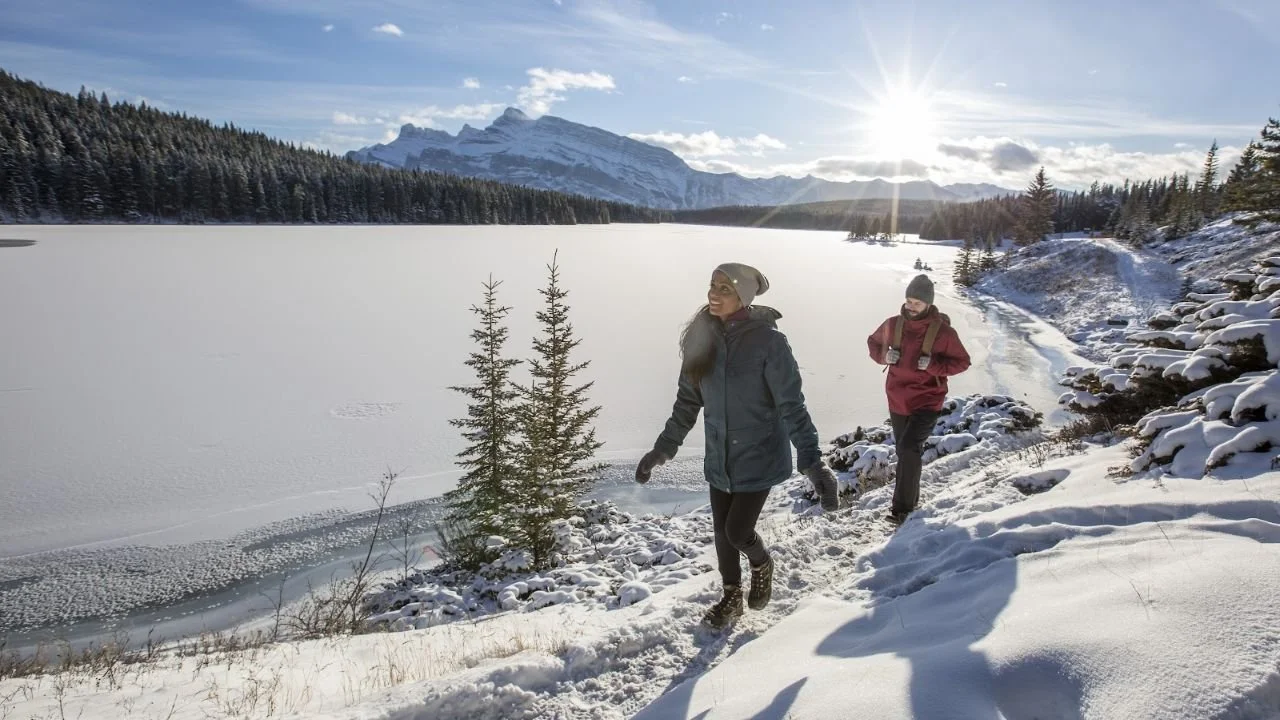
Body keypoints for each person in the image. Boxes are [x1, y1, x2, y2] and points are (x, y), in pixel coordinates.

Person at [635, 263, 839, 629]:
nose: (714, 294)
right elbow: (687, 401)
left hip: (759, 454)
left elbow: (791, 406)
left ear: (742, 295)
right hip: (720, 456)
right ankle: (731, 596)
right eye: (712, 285)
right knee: (721, 533)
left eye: (724, 289)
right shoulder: (702, 339)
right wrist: (662, 449)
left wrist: (812, 461)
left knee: (737, 531)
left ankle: (762, 563)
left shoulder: (769, 343)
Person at [866, 274, 971, 526]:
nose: (911, 306)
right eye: (909, 301)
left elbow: (962, 362)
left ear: (929, 304)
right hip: (898, 398)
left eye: (917, 303)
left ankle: (902, 510)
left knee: (908, 448)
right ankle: (909, 500)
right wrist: (884, 356)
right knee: (906, 452)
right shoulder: (893, 324)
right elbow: (873, 342)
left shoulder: (943, 332)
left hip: (927, 400)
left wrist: (934, 365)